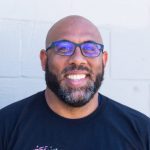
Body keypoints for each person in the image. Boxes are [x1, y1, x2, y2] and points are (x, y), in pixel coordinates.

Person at [0, 15, 150, 150]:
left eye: (90, 48)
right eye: (64, 48)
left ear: (103, 60)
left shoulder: (141, 132)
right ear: (44, 60)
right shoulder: (6, 126)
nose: (78, 59)